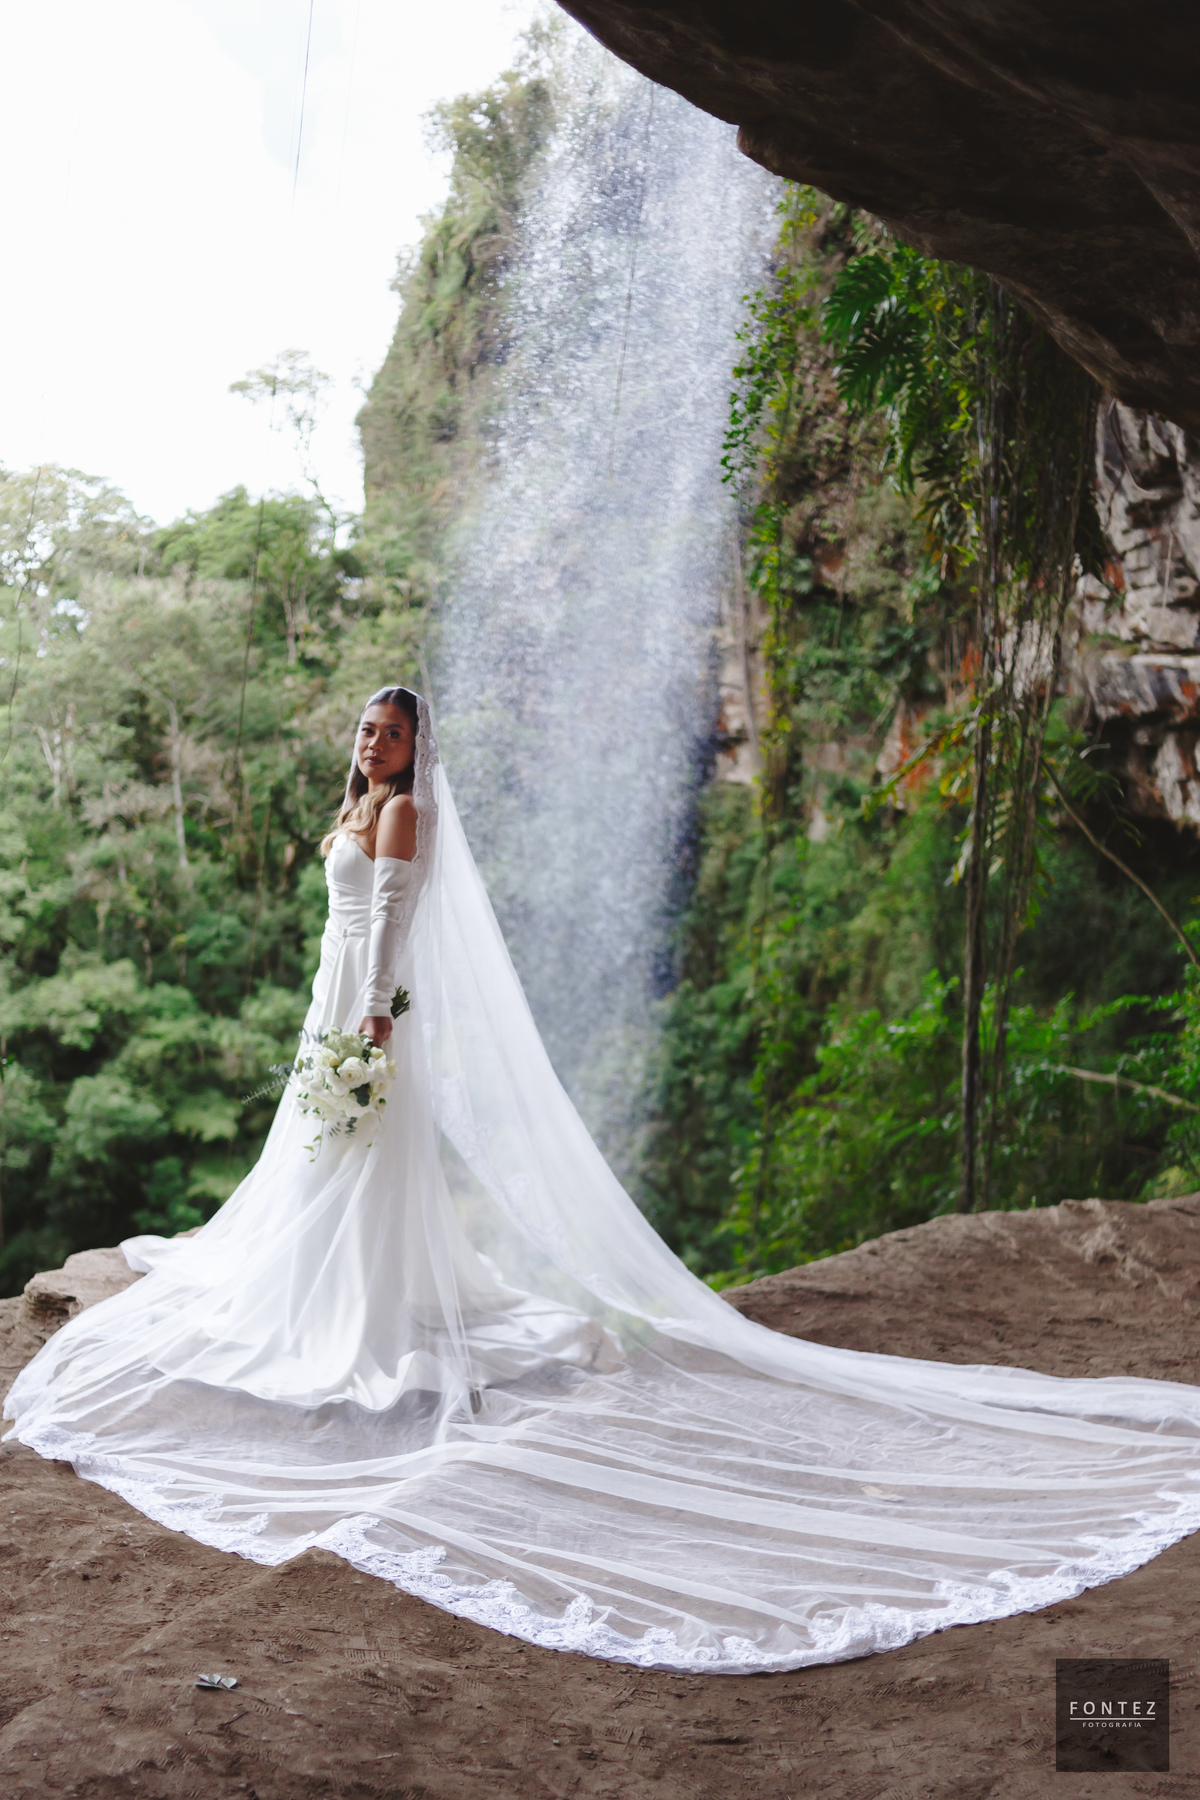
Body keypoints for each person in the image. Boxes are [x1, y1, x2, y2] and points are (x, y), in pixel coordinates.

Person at [8, 685, 1200, 1674]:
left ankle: (352, 1310)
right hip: (337, 1009)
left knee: (353, 1162)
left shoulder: (405, 816)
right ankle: (332, 1292)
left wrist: (368, 1029)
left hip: (367, 1018)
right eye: (366, 729)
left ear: (419, 747)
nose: (373, 744)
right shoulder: (361, 803)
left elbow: (389, 927)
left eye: (391, 732)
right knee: (323, 1167)